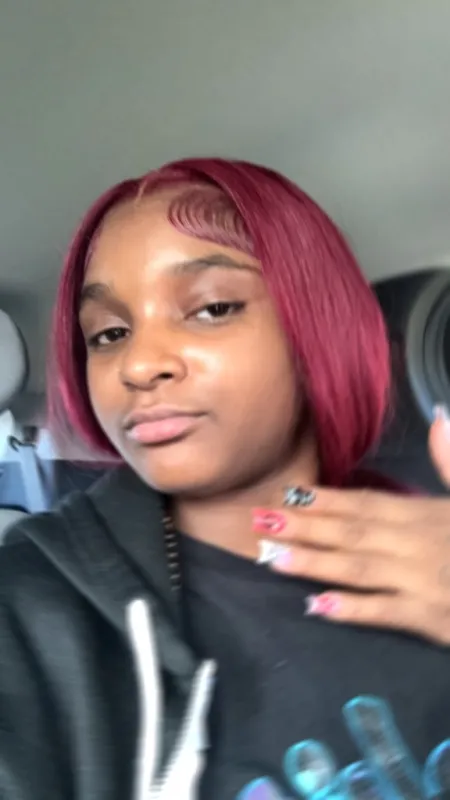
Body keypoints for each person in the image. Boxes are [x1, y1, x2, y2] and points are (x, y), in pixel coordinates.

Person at [1, 157, 450, 800]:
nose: (138, 364)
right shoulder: (35, 604)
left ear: (316, 328)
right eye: (109, 333)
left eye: (212, 308)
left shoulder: (430, 543)